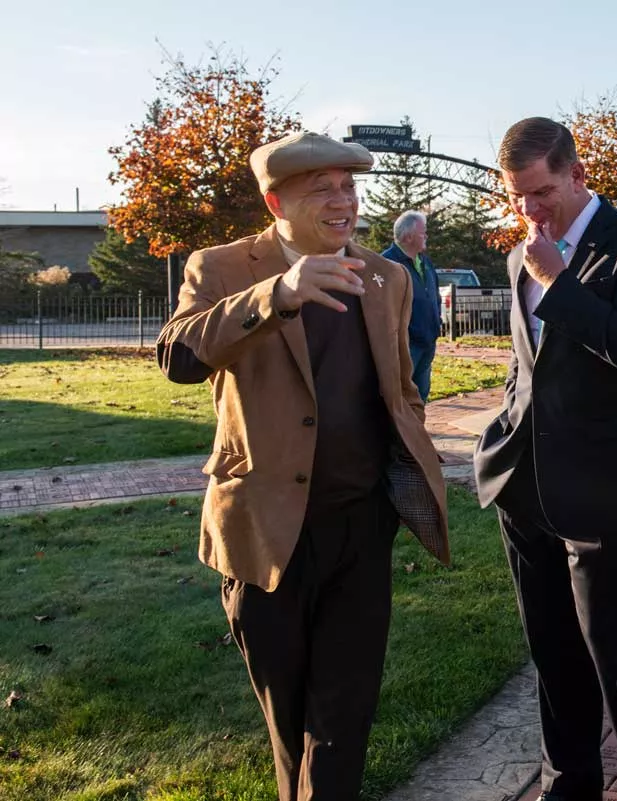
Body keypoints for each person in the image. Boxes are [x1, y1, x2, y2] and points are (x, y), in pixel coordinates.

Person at [156, 131, 449, 801]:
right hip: (265, 532)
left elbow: (401, 387)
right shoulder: (224, 266)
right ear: (275, 201)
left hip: (359, 530)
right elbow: (176, 356)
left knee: (342, 723)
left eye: (349, 187)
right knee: (289, 722)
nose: (343, 202)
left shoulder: (387, 276)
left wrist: (410, 450)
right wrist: (277, 293)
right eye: (324, 189)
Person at [473, 117, 617, 801]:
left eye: (540, 192)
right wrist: (501, 436)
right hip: (527, 491)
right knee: (555, 661)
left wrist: (561, 283)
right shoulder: (519, 258)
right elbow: (527, 368)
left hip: (606, 496)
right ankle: (567, 786)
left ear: (578, 174)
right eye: (517, 197)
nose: (529, 211)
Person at [382, 210, 440, 402]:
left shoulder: (424, 262)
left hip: (427, 340)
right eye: (423, 232)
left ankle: (417, 432)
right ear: (408, 237)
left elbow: (434, 296)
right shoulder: (387, 264)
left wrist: (436, 323)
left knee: (420, 395)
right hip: (405, 344)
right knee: (399, 396)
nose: (427, 237)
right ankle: (398, 433)